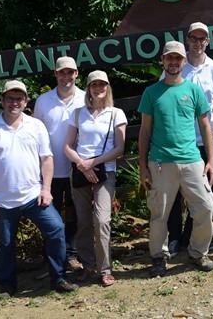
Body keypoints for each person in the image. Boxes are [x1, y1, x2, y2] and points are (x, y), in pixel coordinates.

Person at [0, 80, 79, 297]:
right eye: (10, 98)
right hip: (2, 200)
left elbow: (47, 159)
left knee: (56, 229)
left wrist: (46, 189)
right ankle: (7, 286)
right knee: (6, 244)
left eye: (19, 98)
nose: (15, 102)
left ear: (26, 101)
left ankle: (58, 278)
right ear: (2, 100)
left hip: (33, 195)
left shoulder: (36, 126)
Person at [138, 40, 213, 277]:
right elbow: (144, 131)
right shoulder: (152, 92)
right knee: (159, 213)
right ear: (162, 60)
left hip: (192, 159)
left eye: (178, 58)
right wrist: (143, 166)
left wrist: (210, 160)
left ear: (184, 61)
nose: (173, 62)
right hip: (161, 162)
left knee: (205, 206)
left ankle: (197, 252)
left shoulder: (193, 90)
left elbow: (206, 126)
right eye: (169, 58)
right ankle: (159, 257)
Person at [163, 22, 213, 258]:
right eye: (194, 38)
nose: (198, 43)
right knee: (174, 194)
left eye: (202, 39)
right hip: (177, 142)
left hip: (203, 142)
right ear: (187, 39)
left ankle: (192, 237)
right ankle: (174, 238)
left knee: (202, 193)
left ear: (207, 41)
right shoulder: (177, 65)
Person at [63, 70, 127, 287]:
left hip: (104, 171)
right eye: (94, 85)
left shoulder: (116, 113)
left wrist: (94, 163)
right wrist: (82, 164)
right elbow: (67, 146)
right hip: (80, 171)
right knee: (83, 221)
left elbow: (119, 148)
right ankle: (88, 266)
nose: (98, 89)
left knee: (102, 220)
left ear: (108, 87)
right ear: (88, 88)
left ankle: (105, 269)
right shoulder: (78, 113)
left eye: (102, 85)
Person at [33, 56, 85, 272]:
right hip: (49, 171)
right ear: (55, 74)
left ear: (76, 74)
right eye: (61, 72)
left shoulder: (85, 98)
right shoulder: (43, 101)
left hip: (77, 167)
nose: (66, 76)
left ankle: (71, 256)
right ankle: (51, 260)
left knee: (74, 216)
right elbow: (35, 134)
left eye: (70, 72)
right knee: (48, 216)